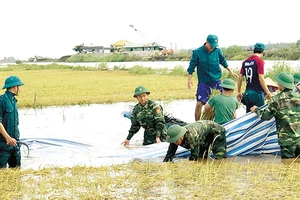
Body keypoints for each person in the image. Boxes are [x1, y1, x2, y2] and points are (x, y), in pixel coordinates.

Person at [187, 34, 238, 121]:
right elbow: (191, 67)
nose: (212, 48)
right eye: (211, 45)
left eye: (214, 46)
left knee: (223, 100)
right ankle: (198, 122)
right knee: (199, 104)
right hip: (204, 82)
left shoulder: (217, 51)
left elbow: (223, 62)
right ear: (206, 42)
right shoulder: (197, 52)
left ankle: (224, 120)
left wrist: (231, 71)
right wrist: (189, 80)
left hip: (216, 81)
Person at [250, 72, 300, 158]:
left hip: (287, 141)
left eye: (278, 82)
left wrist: (256, 109)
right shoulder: (298, 97)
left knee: (287, 166)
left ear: (281, 84)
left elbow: (265, 116)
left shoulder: (276, 99)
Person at [237, 43, 272, 113]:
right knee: (260, 116)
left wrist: (239, 91)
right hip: (257, 93)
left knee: (248, 117)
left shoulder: (245, 62)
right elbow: (261, 78)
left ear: (254, 50)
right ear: (263, 52)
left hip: (247, 94)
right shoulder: (260, 61)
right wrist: (268, 92)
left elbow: (240, 77)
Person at [0, 76, 24, 168]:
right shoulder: (1, 100)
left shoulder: (14, 101)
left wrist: (14, 140)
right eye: (19, 86)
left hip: (15, 143)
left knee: (16, 172)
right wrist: (7, 138)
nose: (20, 89)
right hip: (3, 145)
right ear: (15, 87)